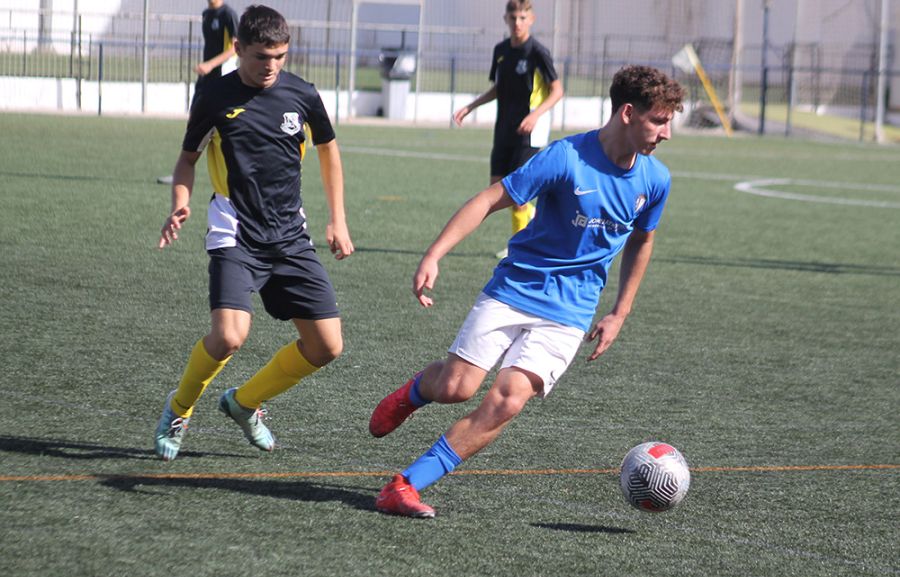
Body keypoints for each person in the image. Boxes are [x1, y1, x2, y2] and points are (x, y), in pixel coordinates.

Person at [369, 65, 685, 517]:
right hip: (517, 286)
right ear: (629, 114)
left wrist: (621, 311)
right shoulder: (565, 157)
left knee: (508, 398)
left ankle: (404, 485)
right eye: (660, 120)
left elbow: (642, 240)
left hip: (571, 311)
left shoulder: (656, 180)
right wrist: (435, 254)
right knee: (458, 388)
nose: (667, 133)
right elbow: (489, 200)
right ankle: (417, 391)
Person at [153, 4, 354, 461]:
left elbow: (329, 151)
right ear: (238, 49)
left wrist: (337, 218)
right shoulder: (214, 98)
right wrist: (180, 203)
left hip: (289, 237)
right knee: (228, 336)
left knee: (327, 346)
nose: (271, 66)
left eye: (280, 56)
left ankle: (244, 403)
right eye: (262, 56)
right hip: (236, 234)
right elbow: (187, 159)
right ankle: (179, 408)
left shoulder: (302, 95)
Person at [452, 0, 563, 259]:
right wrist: (471, 106)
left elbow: (557, 91)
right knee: (497, 187)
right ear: (506, 19)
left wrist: (536, 114)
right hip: (503, 129)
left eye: (523, 18)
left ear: (531, 19)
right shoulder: (501, 50)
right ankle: (535, 219)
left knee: (517, 193)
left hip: (529, 132)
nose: (517, 23)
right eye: (513, 18)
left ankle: (519, 248)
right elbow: (498, 88)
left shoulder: (538, 52)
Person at [158, 1, 239, 185]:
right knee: (194, 120)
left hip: (221, 75)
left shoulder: (228, 14)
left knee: (226, 126)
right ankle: (182, 170)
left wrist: (211, 64)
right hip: (206, 77)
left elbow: (235, 47)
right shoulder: (206, 14)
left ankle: (233, 172)